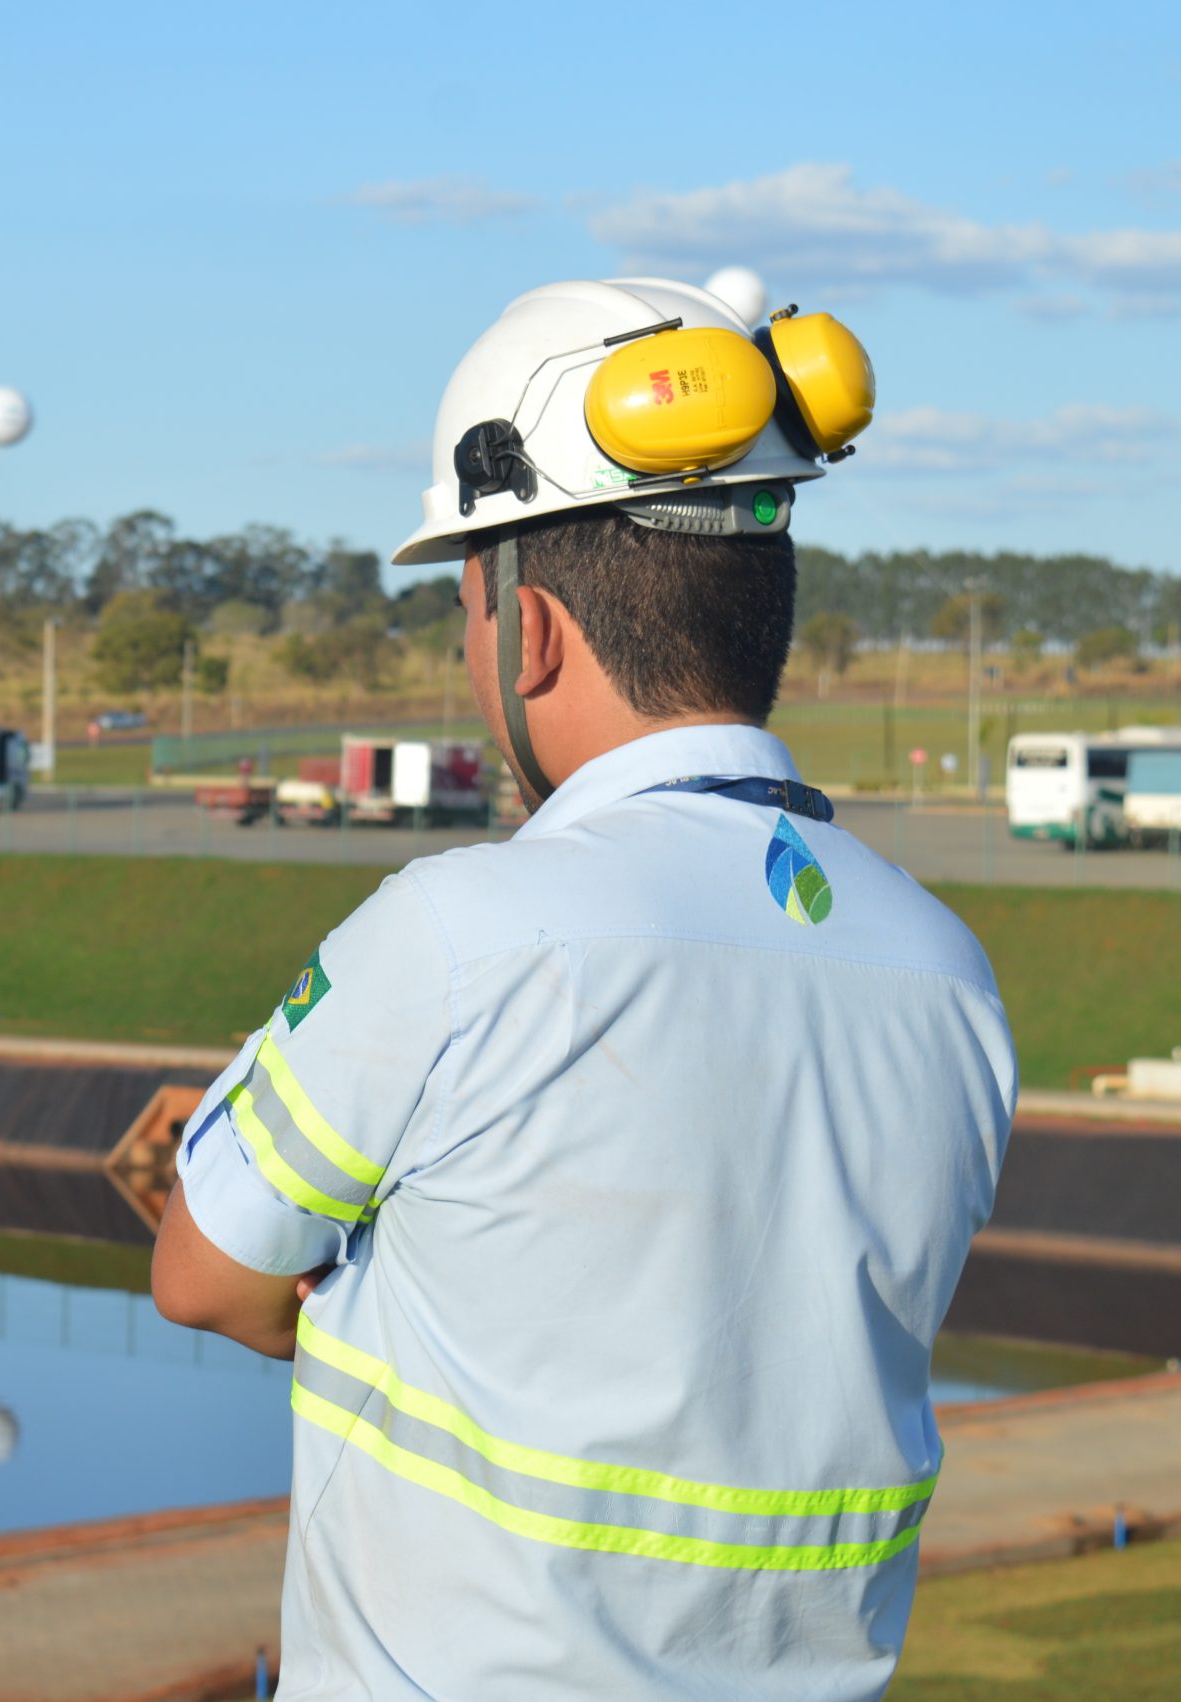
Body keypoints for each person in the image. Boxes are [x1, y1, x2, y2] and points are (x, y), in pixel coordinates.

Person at [151, 278, 1015, 1700]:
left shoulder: (461, 937)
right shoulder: (946, 976)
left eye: (467, 612)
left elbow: (205, 1272)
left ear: (530, 630)